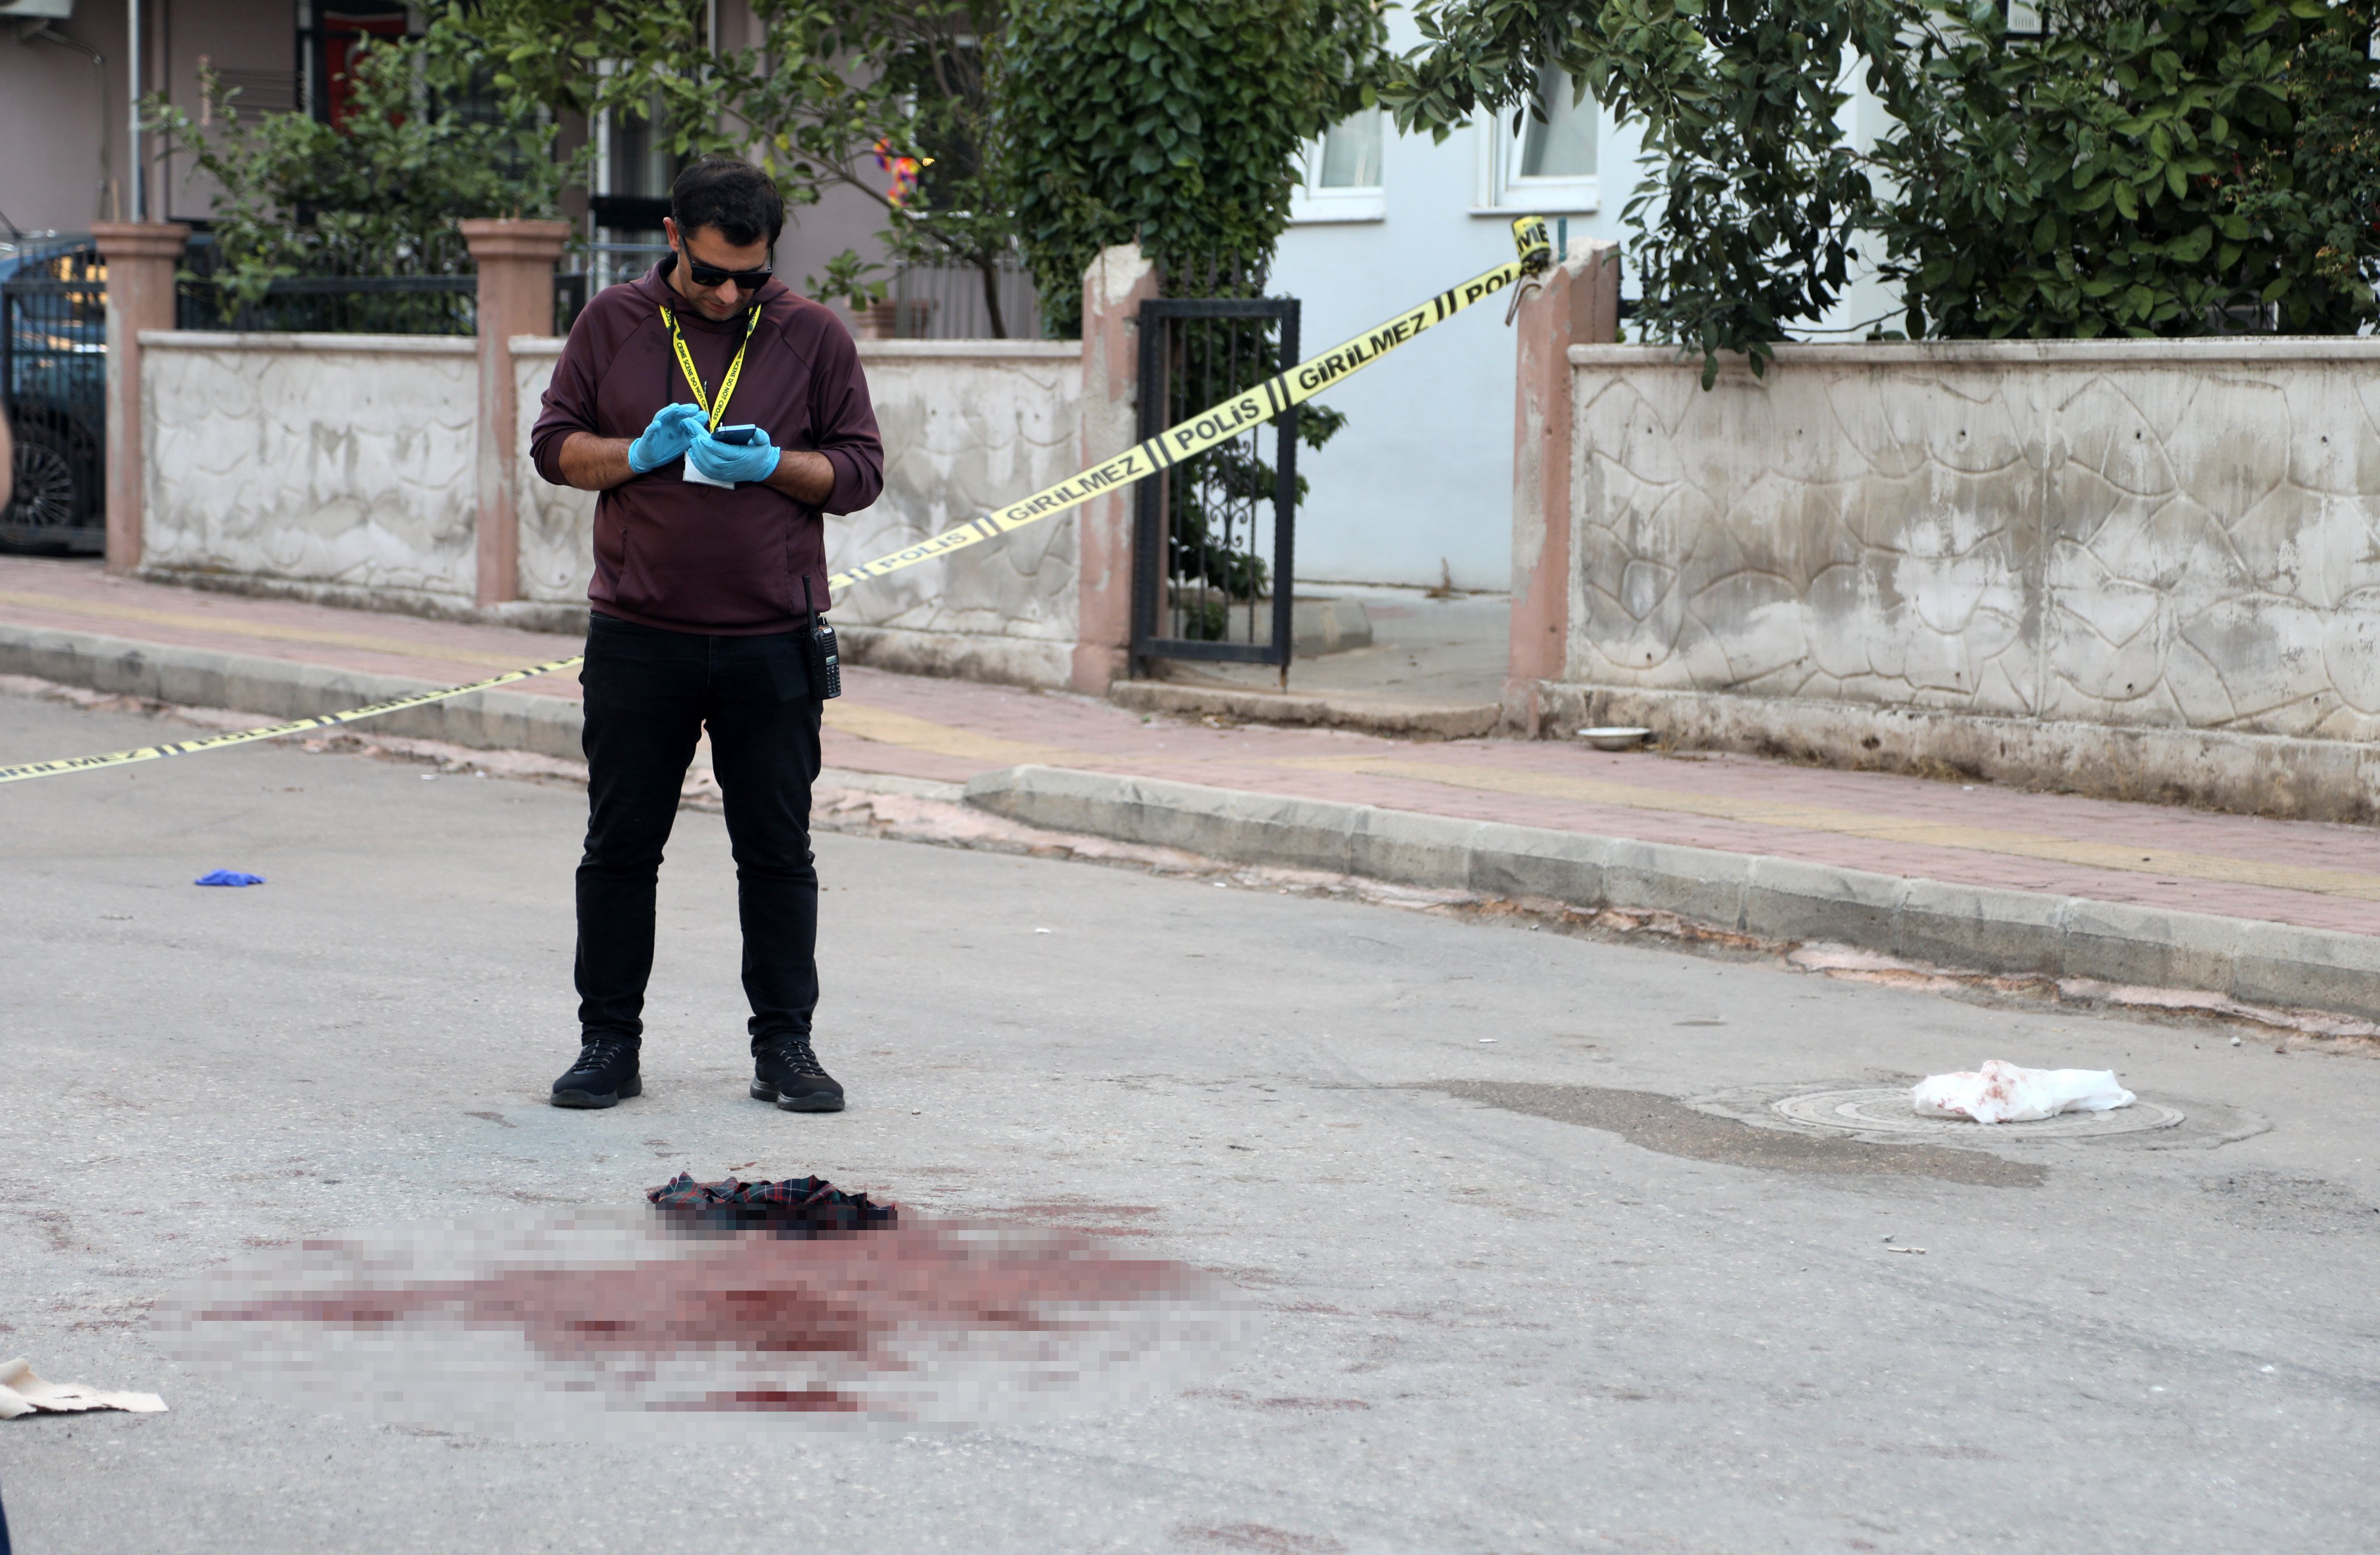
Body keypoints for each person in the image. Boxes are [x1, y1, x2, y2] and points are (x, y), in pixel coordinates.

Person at [529, 156, 883, 1113]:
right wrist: (637, 451)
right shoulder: (612, 321)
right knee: (619, 848)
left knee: (776, 854)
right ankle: (608, 1044)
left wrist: (781, 466)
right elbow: (554, 449)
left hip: (772, 638)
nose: (730, 293)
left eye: (751, 276)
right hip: (640, 633)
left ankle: (786, 1051)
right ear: (673, 239)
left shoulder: (811, 334)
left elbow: (858, 473)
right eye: (711, 273)